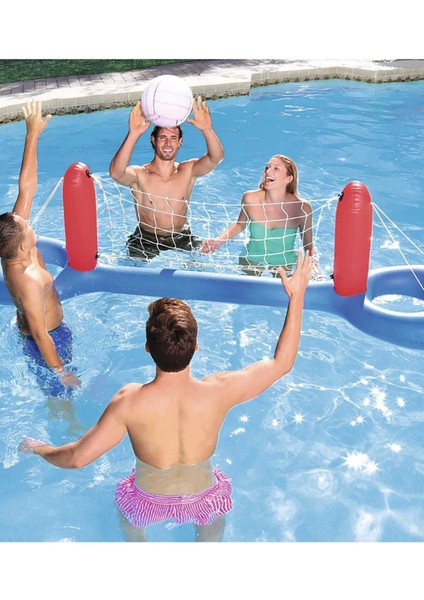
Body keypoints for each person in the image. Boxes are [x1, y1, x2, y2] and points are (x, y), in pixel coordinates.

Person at [20, 250, 312, 542]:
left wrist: (39, 449)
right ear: (196, 347)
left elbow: (77, 458)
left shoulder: (129, 402)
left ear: (148, 348)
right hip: (204, 497)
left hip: (147, 500)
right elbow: (281, 364)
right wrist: (296, 297)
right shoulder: (219, 391)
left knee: (134, 532)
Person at [0, 101, 81, 406]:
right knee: (61, 397)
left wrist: (32, 135)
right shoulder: (28, 281)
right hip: (47, 341)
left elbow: (27, 188)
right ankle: (68, 424)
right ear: (24, 246)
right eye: (27, 226)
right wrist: (61, 372)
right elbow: (39, 334)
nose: (29, 222)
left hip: (51, 330)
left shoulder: (13, 245)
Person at [109, 96, 224, 260]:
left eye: (173, 138)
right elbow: (116, 173)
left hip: (182, 236)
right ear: (153, 140)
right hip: (146, 239)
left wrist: (207, 129)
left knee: (203, 266)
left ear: (180, 142)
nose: (168, 144)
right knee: (135, 274)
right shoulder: (140, 175)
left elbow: (216, 158)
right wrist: (133, 134)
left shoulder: (188, 170)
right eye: (163, 138)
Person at [200, 154, 320, 277]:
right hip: (252, 256)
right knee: (248, 287)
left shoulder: (302, 208)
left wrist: (314, 267)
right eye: (267, 167)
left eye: (276, 168)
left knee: (283, 288)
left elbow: (308, 246)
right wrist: (218, 241)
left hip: (283, 260)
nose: (268, 171)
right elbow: (240, 225)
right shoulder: (250, 198)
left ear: (288, 179)